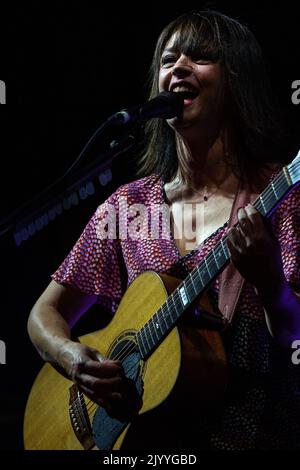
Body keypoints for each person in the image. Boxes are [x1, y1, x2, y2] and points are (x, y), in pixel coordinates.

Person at [27, 10, 300, 450]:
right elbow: (43, 316)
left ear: (237, 79)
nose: (179, 68)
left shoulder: (282, 196)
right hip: (148, 443)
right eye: (169, 59)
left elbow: (294, 336)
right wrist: (73, 359)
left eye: (201, 58)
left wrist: (270, 282)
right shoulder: (129, 205)